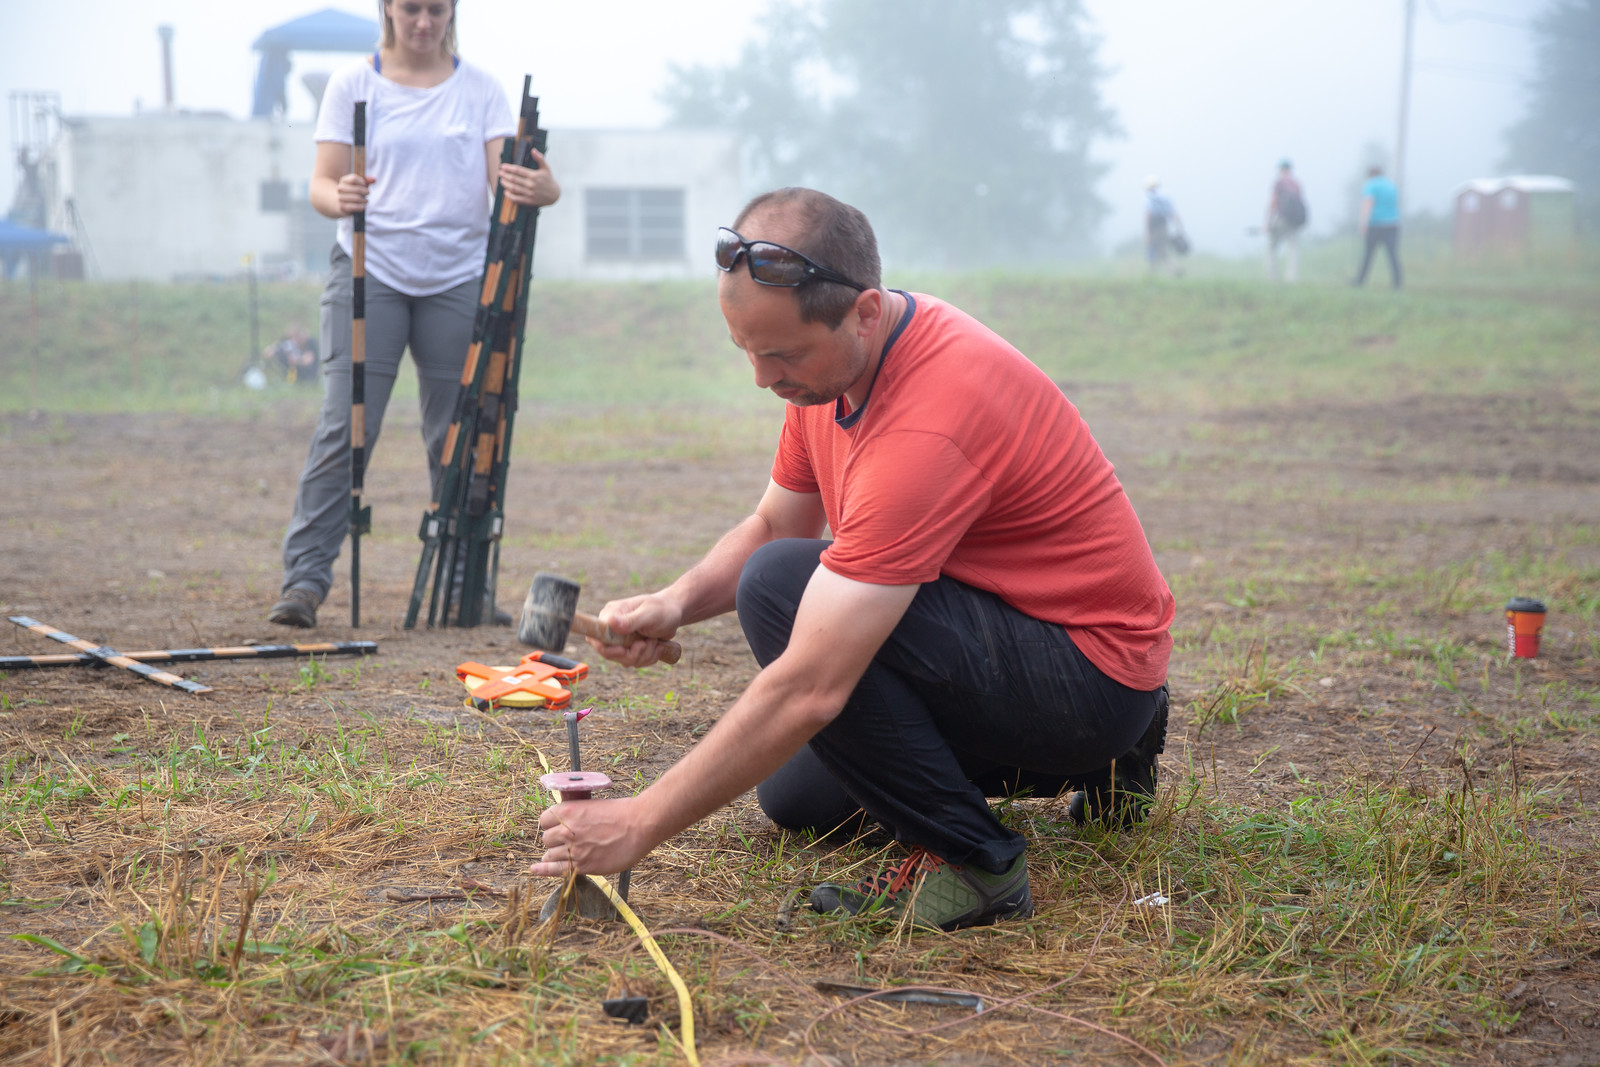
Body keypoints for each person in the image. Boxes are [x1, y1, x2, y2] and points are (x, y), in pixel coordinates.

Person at [530, 188, 1175, 932]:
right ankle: (1103, 763)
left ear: (864, 311)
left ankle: (977, 862)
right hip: (1020, 642)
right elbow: (776, 524)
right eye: (746, 348)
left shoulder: (930, 419)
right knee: (799, 798)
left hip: (1089, 672)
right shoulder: (835, 369)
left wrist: (638, 822)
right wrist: (675, 602)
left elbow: (810, 685)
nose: (762, 377)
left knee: (778, 589)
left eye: (782, 353)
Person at [268, 0, 560, 628]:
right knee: (346, 428)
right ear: (388, 10)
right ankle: (305, 582)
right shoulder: (352, 83)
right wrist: (340, 196)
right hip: (367, 272)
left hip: (459, 277)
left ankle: (463, 586)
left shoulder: (480, 88)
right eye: (410, 9)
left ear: (452, 12)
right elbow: (322, 184)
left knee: (461, 436)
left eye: (436, 9)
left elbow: (507, 181)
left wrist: (545, 189)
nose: (423, 22)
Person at [1353, 164, 1402, 289]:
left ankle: (1360, 280)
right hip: (1392, 224)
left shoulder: (1371, 185)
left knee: (1368, 254)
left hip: (1375, 224)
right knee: (1392, 255)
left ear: (1371, 174)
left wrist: (1363, 224)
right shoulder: (1391, 185)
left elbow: (1368, 204)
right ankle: (1397, 282)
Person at [1265, 160, 1308, 283]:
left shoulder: (1279, 183)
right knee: (1293, 249)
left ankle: (1273, 276)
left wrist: (1269, 221)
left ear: (1281, 170)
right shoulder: (1296, 184)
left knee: (1272, 246)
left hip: (1282, 219)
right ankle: (1292, 278)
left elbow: (1273, 202)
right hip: (1294, 221)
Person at [1144, 176, 1185, 275]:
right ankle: (1153, 273)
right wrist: (1179, 227)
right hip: (1164, 226)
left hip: (1154, 228)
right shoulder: (1165, 197)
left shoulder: (1149, 198)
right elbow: (1173, 213)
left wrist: (1148, 233)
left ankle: (1175, 271)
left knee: (1157, 251)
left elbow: (1148, 216)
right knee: (1160, 251)